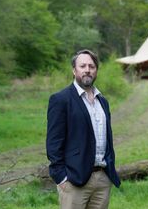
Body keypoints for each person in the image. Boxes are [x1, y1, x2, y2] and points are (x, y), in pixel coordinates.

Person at [46, 49, 121, 209]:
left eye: (92, 66)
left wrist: (109, 174)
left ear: (96, 71)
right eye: (83, 66)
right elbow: (54, 143)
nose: (87, 69)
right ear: (74, 70)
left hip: (102, 179)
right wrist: (61, 178)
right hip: (74, 181)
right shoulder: (61, 99)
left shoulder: (103, 101)